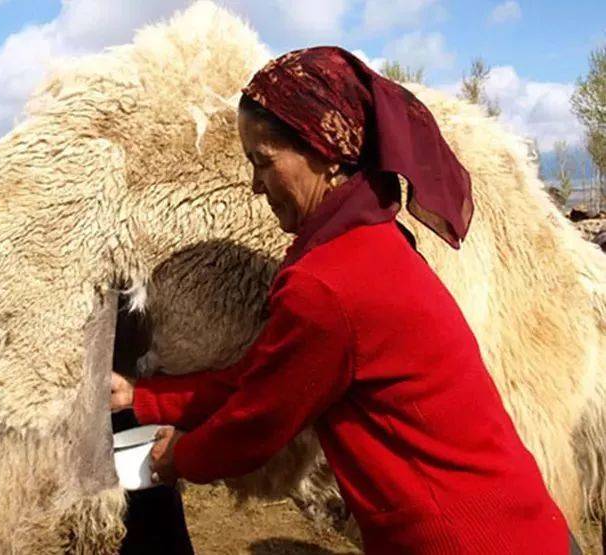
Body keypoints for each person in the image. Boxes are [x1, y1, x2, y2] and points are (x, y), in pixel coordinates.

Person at [111, 47, 578, 554]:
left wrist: (179, 458)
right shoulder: (376, 242)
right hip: (522, 526)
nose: (254, 185)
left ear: (325, 151)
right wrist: (142, 398)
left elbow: (257, 421)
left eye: (263, 162)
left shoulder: (329, 283)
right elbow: (267, 375)